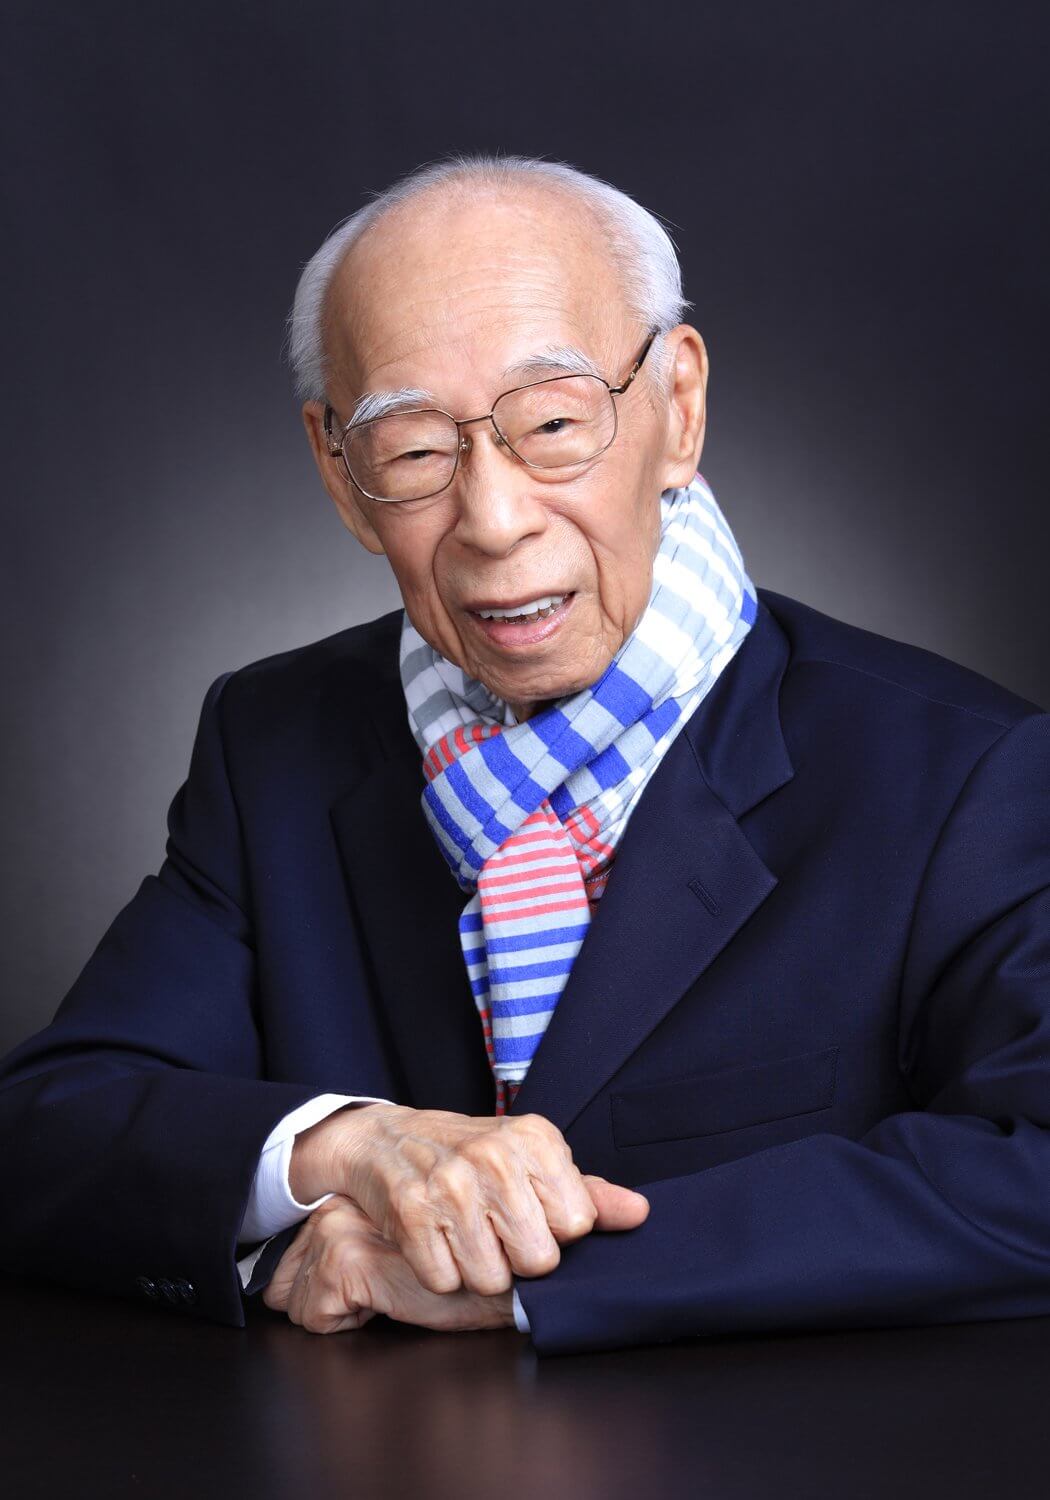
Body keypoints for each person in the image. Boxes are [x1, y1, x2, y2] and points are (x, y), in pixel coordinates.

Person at [3, 154, 1049, 1358]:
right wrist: (344, 1149)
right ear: (339, 475)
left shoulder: (967, 775)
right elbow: (45, 1128)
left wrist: (520, 1277)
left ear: (679, 406)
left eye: (553, 424)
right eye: (412, 451)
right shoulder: (273, 746)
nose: (495, 521)